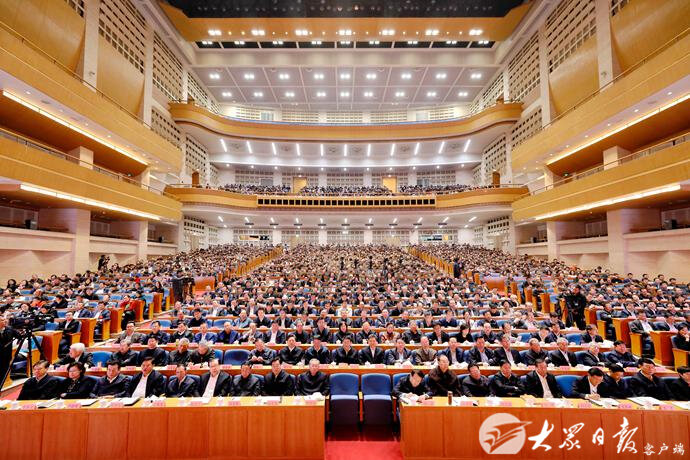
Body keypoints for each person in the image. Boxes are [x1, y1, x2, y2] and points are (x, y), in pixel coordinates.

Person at [0, 315, 22, 387]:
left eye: (5, 319)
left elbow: (19, 336)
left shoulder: (10, 329)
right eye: (2, 320)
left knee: (3, 373)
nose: (5, 321)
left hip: (6, 355)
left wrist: (20, 337)